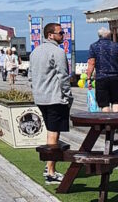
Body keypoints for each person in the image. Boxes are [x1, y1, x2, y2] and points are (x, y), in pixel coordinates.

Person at [28, 23, 72, 185]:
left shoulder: (35, 52)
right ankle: (50, 172)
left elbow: (30, 76)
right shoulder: (58, 52)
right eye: (61, 33)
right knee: (54, 132)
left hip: (41, 98)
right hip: (55, 98)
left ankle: (49, 166)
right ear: (50, 35)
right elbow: (63, 76)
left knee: (51, 131)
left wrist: (36, 91)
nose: (63, 36)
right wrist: (68, 97)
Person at [86, 27, 118, 112]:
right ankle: (117, 123)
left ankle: (107, 124)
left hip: (101, 78)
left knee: (104, 104)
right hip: (115, 77)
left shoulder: (94, 46)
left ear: (99, 36)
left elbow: (91, 63)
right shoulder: (117, 46)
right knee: (116, 102)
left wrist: (89, 78)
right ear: (109, 35)